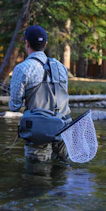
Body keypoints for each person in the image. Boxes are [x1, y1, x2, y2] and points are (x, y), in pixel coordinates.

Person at [9, 25, 71, 162]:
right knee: (61, 174)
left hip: (40, 132)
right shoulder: (61, 67)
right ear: (46, 44)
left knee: (37, 177)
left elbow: (14, 106)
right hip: (64, 130)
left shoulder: (22, 68)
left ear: (27, 43)